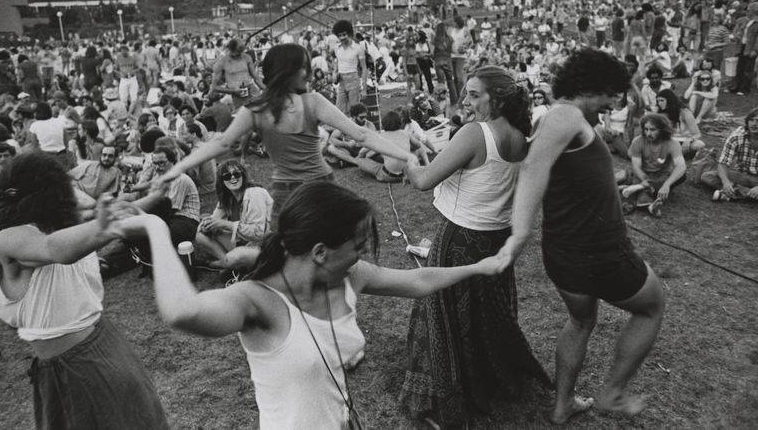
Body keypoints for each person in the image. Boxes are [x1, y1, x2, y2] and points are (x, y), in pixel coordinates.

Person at [143, 180, 513, 429]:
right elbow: (181, 311)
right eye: (357, 244)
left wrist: (478, 267)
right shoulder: (258, 301)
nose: (363, 252)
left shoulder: (351, 274)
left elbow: (417, 282)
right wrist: (158, 230)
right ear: (320, 252)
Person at [496, 49, 666, 423]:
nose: (616, 102)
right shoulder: (566, 115)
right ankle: (611, 394)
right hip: (598, 251)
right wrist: (519, 233)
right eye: (613, 93)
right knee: (652, 305)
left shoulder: (563, 119)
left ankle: (562, 405)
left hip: (564, 250)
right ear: (596, 86)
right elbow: (533, 166)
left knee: (581, 322)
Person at [400, 66, 551, 427]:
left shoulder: (474, 133)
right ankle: (488, 377)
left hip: (460, 238)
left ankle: (447, 393)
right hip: (496, 238)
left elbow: (423, 181)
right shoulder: (519, 134)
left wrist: (408, 160)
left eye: (472, 94)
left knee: (445, 315)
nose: (464, 101)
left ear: (495, 99)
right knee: (482, 315)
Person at [0, 152, 168, 429]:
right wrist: (104, 224)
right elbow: (55, 249)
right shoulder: (9, 238)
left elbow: (105, 222)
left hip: (94, 355)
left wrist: (154, 194)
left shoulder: (61, 229)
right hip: (76, 365)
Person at [155, 43, 415, 221]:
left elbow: (222, 143)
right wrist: (406, 156)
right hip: (319, 186)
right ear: (287, 71)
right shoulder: (312, 102)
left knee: (289, 256)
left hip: (287, 190)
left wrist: (178, 168)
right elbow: (362, 135)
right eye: (303, 67)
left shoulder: (255, 109)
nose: (308, 73)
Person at [195, 160, 273, 271]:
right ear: (222, 181)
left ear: (243, 175)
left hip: (262, 244)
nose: (233, 178)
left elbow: (258, 233)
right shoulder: (228, 197)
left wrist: (225, 224)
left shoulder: (254, 194)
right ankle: (227, 262)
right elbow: (214, 219)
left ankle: (224, 264)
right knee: (200, 235)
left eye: (236, 174)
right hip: (241, 240)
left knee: (237, 256)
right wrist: (207, 224)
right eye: (227, 176)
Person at [621, 114, 686, 217]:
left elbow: (681, 166)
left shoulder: (672, 143)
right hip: (642, 174)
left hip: (661, 176)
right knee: (639, 180)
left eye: (652, 129)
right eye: (646, 129)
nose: (648, 133)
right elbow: (636, 166)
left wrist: (666, 185)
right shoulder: (638, 141)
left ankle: (636, 190)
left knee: (682, 175)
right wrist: (645, 180)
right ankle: (649, 205)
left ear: (662, 129)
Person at [337, 110, 424, 182]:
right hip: (407, 174)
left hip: (388, 176)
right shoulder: (406, 133)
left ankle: (352, 163)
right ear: (399, 122)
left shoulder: (380, 135)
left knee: (360, 160)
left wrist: (361, 158)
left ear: (383, 123)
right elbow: (418, 145)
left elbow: (362, 152)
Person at [702, 107, 758, 202]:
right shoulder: (737, 136)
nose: (754, 124)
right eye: (751, 120)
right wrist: (726, 182)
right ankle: (745, 193)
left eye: (757, 121)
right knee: (707, 176)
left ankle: (735, 194)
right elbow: (723, 163)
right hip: (742, 175)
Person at [655, 89, 705, 157]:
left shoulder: (684, 112)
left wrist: (688, 140)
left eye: (662, 100)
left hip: (684, 141)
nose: (659, 103)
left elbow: (697, 134)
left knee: (699, 144)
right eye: (658, 101)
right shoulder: (660, 113)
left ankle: (676, 154)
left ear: (669, 100)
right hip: (670, 141)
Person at [332, 20, 367, 114]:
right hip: (342, 81)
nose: (342, 37)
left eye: (344, 34)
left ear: (349, 33)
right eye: (339, 35)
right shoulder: (337, 48)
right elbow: (337, 63)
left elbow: (364, 68)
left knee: (355, 111)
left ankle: (357, 128)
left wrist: (364, 89)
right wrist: (334, 74)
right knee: (339, 111)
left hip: (353, 80)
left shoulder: (358, 48)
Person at [731, 1, 758, 96]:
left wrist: (755, 50)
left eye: (750, 10)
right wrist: (737, 35)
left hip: (751, 48)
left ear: (755, 11)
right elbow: (738, 31)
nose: (748, 12)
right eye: (748, 10)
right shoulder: (745, 20)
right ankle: (736, 86)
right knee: (739, 67)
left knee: (748, 69)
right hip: (742, 46)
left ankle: (745, 88)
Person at [684, 59, 720, 123]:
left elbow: (714, 95)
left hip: (708, 112)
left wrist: (697, 92)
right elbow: (686, 97)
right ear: (699, 80)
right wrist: (693, 83)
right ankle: (692, 116)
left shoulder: (713, 87)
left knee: (708, 98)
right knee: (693, 96)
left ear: (711, 80)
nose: (705, 81)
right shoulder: (697, 85)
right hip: (696, 110)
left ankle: (699, 117)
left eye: (708, 79)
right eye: (702, 79)